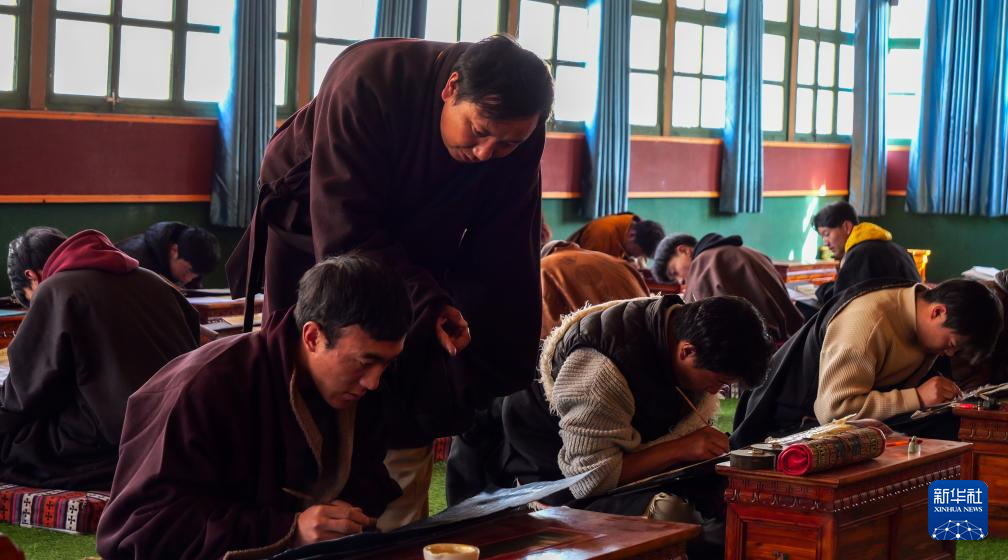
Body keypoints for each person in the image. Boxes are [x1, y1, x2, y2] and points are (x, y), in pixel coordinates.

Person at [226, 35, 553, 527]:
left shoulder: (520, 133)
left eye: (507, 143)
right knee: (316, 366)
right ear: (450, 88)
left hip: (420, 248)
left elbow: (506, 249)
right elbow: (343, 231)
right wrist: (423, 300)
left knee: (422, 364)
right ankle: (294, 514)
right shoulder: (368, 80)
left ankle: (396, 526)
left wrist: (498, 352)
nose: (488, 153)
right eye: (479, 131)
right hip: (314, 231)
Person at [97, 256, 413, 560]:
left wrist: (344, 517)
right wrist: (289, 530)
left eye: (386, 363)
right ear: (313, 337)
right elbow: (143, 527)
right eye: (364, 363)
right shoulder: (206, 389)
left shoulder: (362, 389)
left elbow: (367, 482)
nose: (373, 382)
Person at [491, 295, 772, 557]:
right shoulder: (600, 373)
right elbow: (589, 479)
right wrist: (681, 448)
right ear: (687, 351)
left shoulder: (674, 327)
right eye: (719, 382)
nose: (714, 391)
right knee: (672, 515)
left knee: (734, 497)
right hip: (553, 472)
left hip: (624, 465)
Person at [445, 241, 651, 503]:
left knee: (487, 419)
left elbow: (533, 337)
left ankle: (467, 508)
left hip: (568, 370)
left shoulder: (543, 270)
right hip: (634, 370)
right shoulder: (619, 265)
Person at [2, 227, 199, 489]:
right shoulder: (157, 281)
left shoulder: (56, 289)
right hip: (185, 430)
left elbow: (23, 395)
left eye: (30, 301)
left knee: (12, 445)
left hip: (116, 441)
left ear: (32, 277)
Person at [732, 279, 1003, 448]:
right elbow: (834, 411)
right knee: (946, 439)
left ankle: (949, 525)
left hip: (861, 425)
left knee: (957, 431)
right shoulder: (868, 321)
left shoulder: (922, 323)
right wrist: (918, 397)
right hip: (790, 428)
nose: (950, 354)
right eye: (952, 343)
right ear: (937, 312)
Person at [653, 233, 804, 342]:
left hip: (758, 353)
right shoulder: (751, 252)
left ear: (684, 250)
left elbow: (696, 329)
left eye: (674, 272)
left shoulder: (704, 263)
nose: (680, 280)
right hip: (792, 343)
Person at [811, 201, 920, 302]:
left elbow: (841, 300)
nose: (825, 242)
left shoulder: (860, 254)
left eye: (826, 234)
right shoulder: (896, 248)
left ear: (846, 227)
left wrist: (821, 291)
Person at [117, 221, 220, 289]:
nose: (188, 279)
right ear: (174, 250)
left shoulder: (193, 258)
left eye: (195, 276)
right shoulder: (132, 259)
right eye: (187, 271)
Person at [566, 212, 665, 262]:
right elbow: (587, 272)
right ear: (632, 236)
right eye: (638, 253)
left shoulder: (639, 234)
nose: (637, 257)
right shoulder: (602, 234)